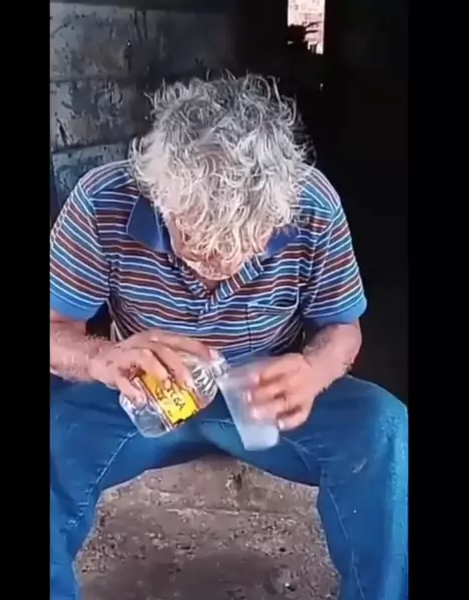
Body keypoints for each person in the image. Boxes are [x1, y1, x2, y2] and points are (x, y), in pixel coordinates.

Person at [50, 74, 407, 600]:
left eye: (245, 245)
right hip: (139, 398)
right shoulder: (104, 199)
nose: (217, 267)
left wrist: (313, 370)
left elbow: (342, 330)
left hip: (264, 401)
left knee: (384, 428)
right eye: (194, 241)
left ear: (281, 210)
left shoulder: (312, 202)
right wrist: (102, 359)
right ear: (158, 196)